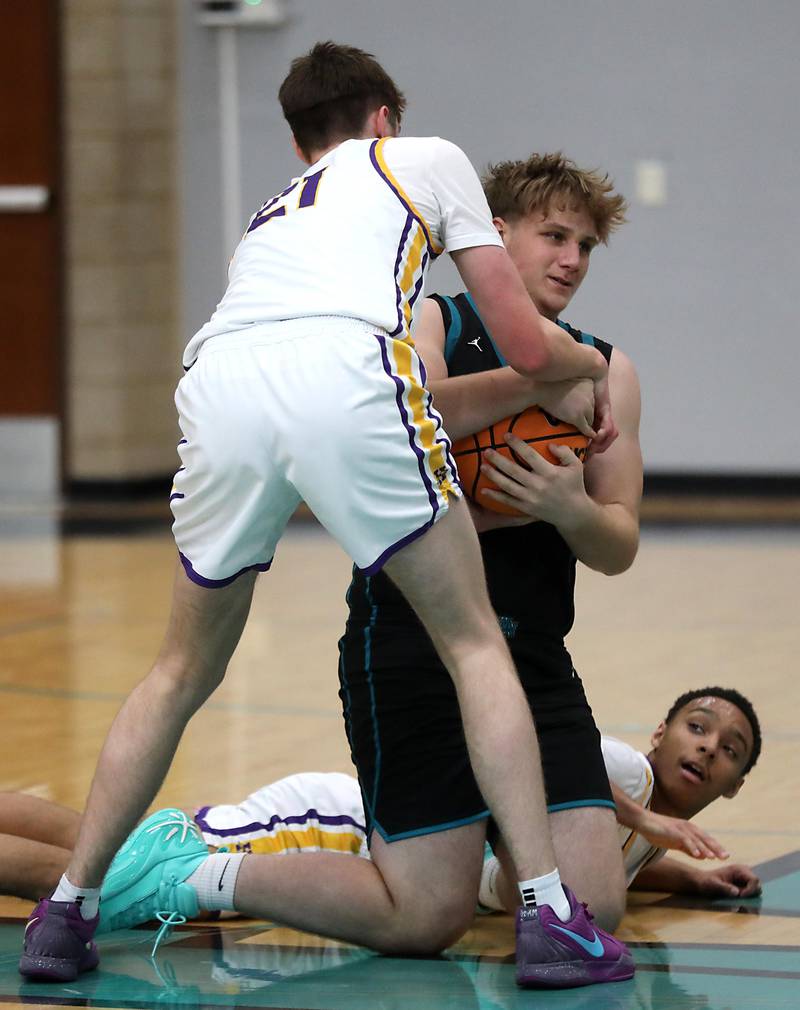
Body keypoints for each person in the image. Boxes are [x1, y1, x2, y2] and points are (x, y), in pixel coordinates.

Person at [20, 44, 622, 989]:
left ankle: (66, 909)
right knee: (473, 642)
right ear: (384, 115)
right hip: (344, 369)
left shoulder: (268, 220)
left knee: (180, 668)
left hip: (220, 381)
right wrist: (587, 366)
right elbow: (518, 340)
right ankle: (551, 917)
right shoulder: (422, 158)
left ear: (303, 140)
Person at [0, 687, 761, 905]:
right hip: (337, 828)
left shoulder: (633, 834)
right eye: (697, 727)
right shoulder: (624, 773)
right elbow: (532, 753)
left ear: (733, 788)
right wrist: (642, 816)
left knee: (128, 849)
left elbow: (604, 859)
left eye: (729, 751)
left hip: (358, 836)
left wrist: (689, 876)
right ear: (660, 732)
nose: (706, 748)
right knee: (130, 873)